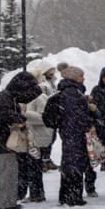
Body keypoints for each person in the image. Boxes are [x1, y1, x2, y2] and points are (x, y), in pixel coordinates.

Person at [0, 71, 42, 209]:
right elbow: (4, 114)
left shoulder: (8, 96)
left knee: (7, 169)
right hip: (0, 139)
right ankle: (7, 204)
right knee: (8, 169)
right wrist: (20, 119)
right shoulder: (6, 98)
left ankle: (7, 201)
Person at [43, 66, 95, 206]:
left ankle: (67, 195)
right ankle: (73, 197)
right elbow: (76, 115)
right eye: (81, 76)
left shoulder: (67, 91)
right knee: (74, 163)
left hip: (68, 132)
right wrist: (88, 120)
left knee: (69, 162)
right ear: (74, 78)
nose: (83, 78)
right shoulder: (73, 93)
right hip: (74, 133)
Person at [24, 62, 58, 195]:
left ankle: (37, 194)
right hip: (32, 135)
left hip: (37, 136)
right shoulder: (30, 95)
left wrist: (24, 115)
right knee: (32, 166)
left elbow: (43, 117)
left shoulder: (40, 95)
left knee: (34, 166)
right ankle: (35, 193)